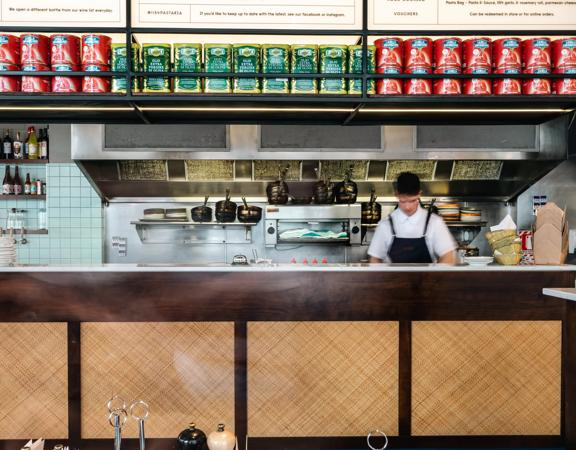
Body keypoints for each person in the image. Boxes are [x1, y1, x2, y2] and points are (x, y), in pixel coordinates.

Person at [368, 172, 457, 264]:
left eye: (412, 201)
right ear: (396, 195)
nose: (408, 207)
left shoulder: (434, 222)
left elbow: (449, 257)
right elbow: (375, 259)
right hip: (394, 278)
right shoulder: (385, 225)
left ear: (419, 194)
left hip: (427, 278)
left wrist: (436, 277)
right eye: (403, 201)